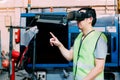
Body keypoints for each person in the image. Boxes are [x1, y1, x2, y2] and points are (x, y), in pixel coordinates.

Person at [49, 7, 108, 80]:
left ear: (90, 19)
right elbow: (70, 56)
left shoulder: (99, 38)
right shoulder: (79, 37)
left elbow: (99, 68)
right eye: (77, 19)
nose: (78, 21)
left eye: (81, 19)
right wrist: (59, 45)